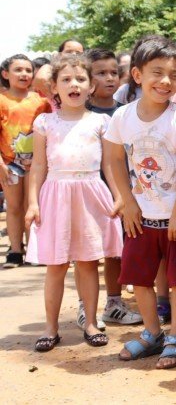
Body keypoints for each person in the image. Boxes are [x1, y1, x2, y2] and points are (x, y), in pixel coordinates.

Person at [105, 35, 176, 370]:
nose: (166, 81)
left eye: (174, 75)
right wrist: (126, 201)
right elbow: (115, 159)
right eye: (158, 72)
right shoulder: (122, 117)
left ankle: (175, 336)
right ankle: (152, 333)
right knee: (139, 279)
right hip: (139, 219)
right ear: (137, 74)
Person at [25, 54, 123, 352]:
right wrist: (32, 202)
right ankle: (51, 328)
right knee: (55, 265)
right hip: (55, 194)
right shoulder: (45, 123)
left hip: (91, 194)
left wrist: (119, 196)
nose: (74, 84)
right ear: (53, 87)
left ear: (91, 86)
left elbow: (110, 165)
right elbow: (38, 166)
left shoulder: (101, 122)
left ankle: (91, 323)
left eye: (80, 79)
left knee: (88, 262)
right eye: (66, 79)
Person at [82, 49, 142, 327]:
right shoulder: (79, 114)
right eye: (100, 73)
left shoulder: (125, 114)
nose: (109, 78)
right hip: (88, 193)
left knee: (116, 249)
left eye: (113, 73)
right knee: (88, 252)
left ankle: (114, 303)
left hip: (123, 194)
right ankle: (86, 306)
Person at [0, 54, 52, 268]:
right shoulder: (1, 100)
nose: (24, 74)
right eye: (18, 70)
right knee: (13, 206)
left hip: (37, 163)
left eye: (28, 70)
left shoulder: (41, 102)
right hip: (9, 164)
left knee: (33, 204)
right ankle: (15, 250)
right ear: (5, 74)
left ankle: (33, 249)